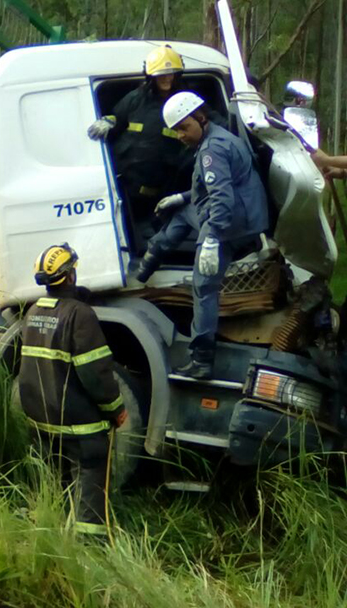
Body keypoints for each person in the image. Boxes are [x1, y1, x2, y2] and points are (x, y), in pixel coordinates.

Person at [134, 92, 269, 379]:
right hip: (243, 214)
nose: (181, 135)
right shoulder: (218, 138)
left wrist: (211, 241)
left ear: (201, 117)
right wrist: (182, 198)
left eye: (184, 127)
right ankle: (150, 260)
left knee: (204, 286)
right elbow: (214, 188)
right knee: (182, 214)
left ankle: (202, 359)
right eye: (177, 130)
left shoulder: (212, 150)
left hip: (232, 222)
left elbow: (221, 199)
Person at [19, 243, 128, 537]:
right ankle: (89, 547)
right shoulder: (80, 315)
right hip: (80, 425)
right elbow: (96, 373)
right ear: (69, 277)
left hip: (42, 421)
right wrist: (115, 408)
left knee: (54, 481)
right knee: (90, 483)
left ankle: (50, 535)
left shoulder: (31, 313)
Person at [87, 45, 192, 218]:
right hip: (127, 187)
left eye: (171, 74)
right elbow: (117, 117)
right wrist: (107, 122)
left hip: (163, 190)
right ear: (151, 76)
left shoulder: (185, 101)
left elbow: (208, 120)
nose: (167, 78)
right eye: (161, 75)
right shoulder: (136, 98)